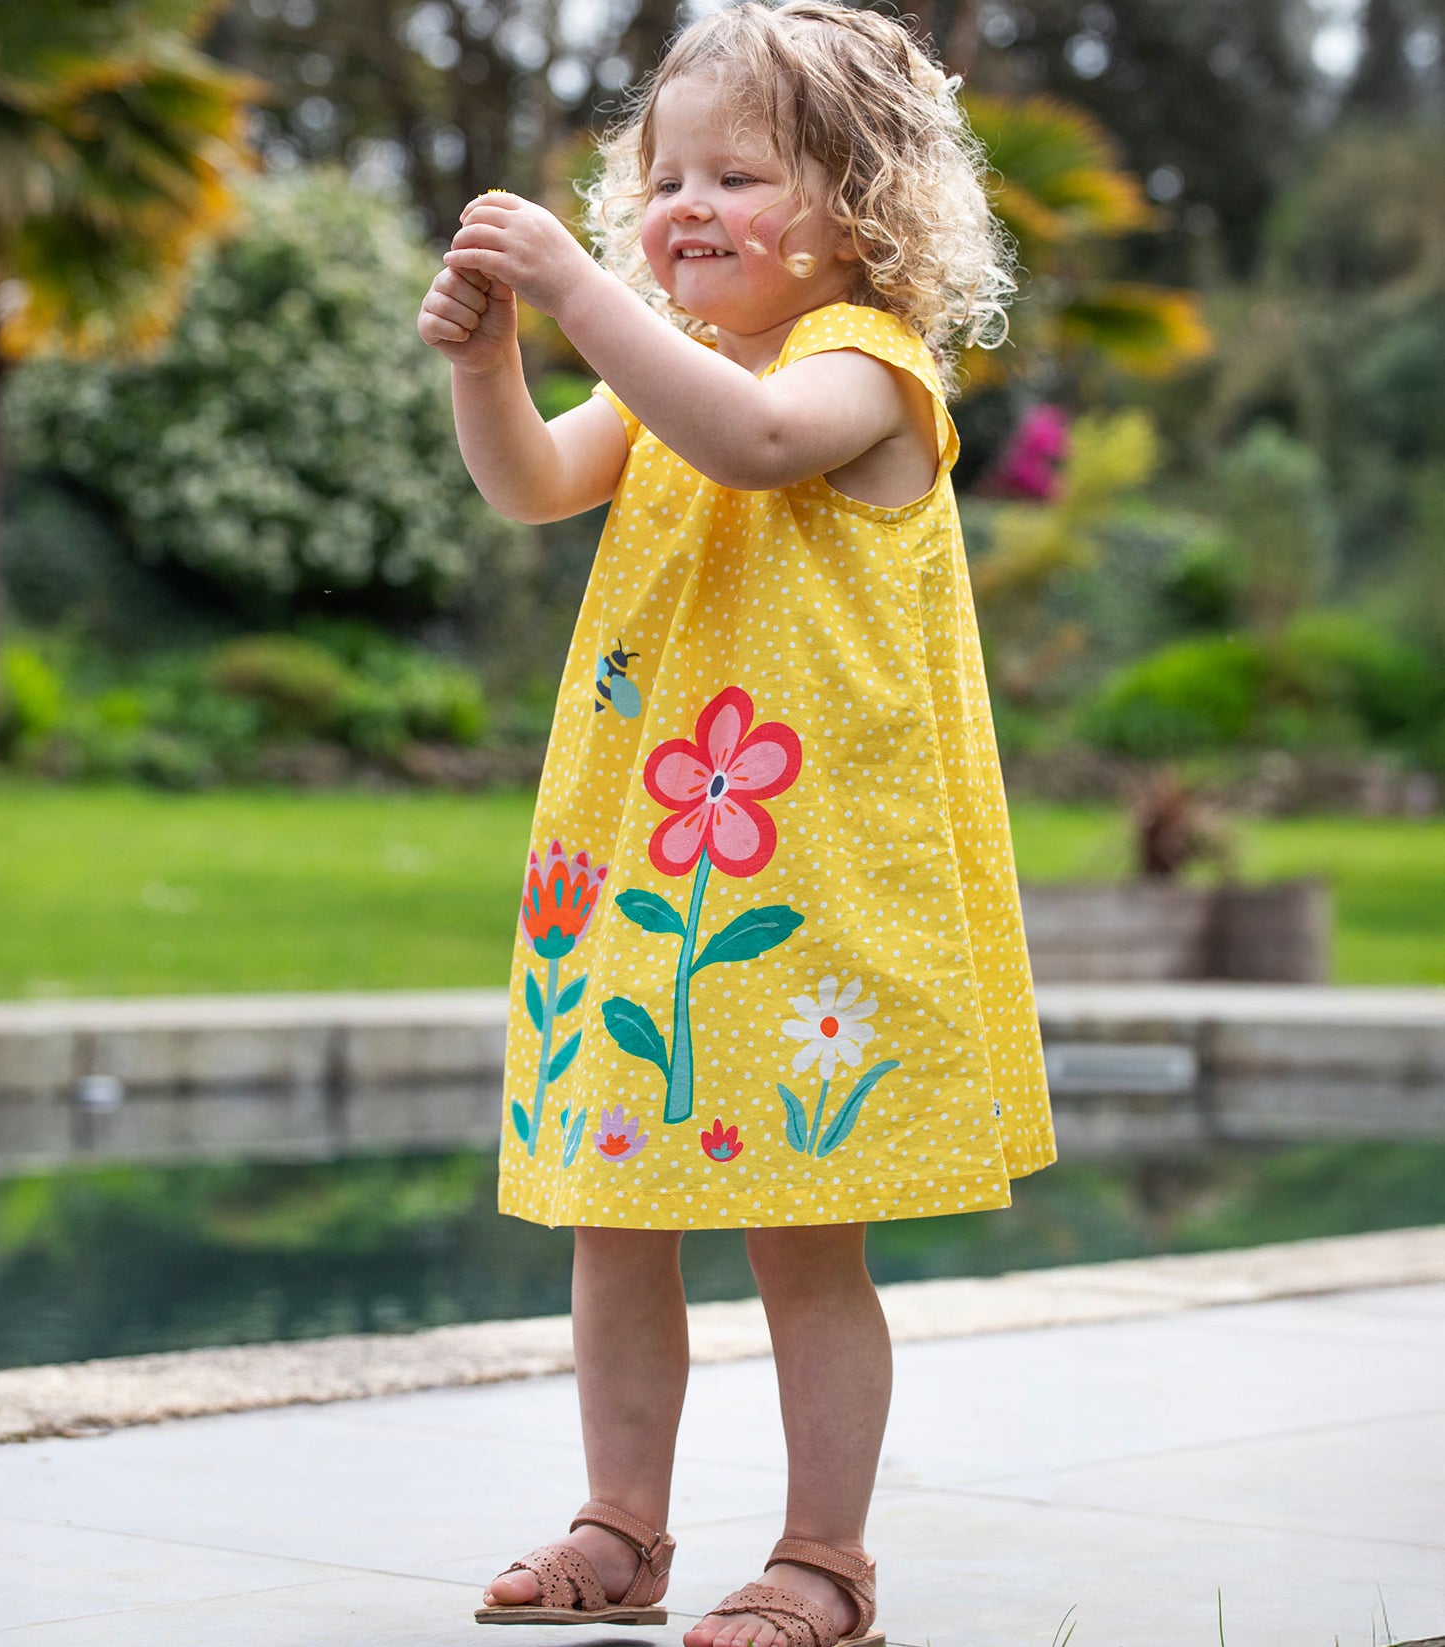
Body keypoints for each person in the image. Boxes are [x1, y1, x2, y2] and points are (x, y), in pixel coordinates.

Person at [416, 4, 1055, 1644]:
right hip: (641, 874)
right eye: (665, 174)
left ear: (858, 211)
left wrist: (579, 294)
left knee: (797, 1238)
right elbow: (532, 485)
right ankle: (617, 1528)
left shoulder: (859, 372)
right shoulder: (671, 372)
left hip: (801, 884)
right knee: (612, 1221)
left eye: (738, 175)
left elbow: (752, 445)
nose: (685, 204)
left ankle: (822, 1564)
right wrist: (494, 360)